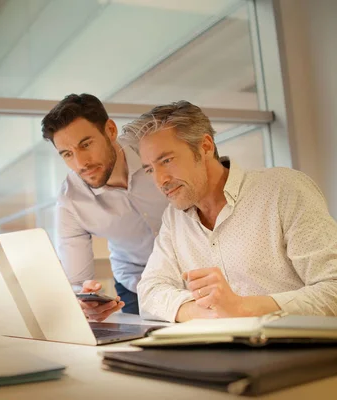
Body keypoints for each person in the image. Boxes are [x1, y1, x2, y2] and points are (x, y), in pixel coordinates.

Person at [120, 100, 337, 322]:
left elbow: (332, 289)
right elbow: (149, 293)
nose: (160, 180)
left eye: (167, 160)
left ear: (205, 146)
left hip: (296, 351)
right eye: (150, 169)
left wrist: (243, 308)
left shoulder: (283, 189)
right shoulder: (174, 218)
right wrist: (205, 312)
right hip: (216, 352)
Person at [41, 93, 168, 322]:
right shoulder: (71, 201)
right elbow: (78, 283)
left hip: (194, 274)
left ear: (110, 130)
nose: (81, 163)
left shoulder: (154, 152)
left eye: (86, 144)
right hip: (137, 285)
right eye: (68, 154)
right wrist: (86, 300)